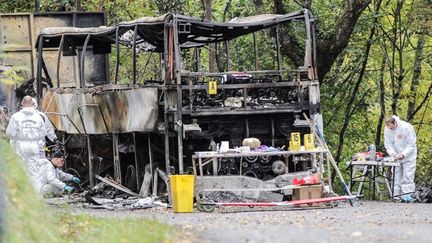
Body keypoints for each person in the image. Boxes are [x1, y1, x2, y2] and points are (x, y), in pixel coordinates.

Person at [6, 96, 47, 190]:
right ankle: (37, 195)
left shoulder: (15, 116)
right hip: (34, 146)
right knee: (34, 172)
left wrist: (17, 137)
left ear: (22, 103)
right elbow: (43, 133)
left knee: (20, 169)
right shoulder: (38, 117)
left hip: (20, 146)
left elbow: (10, 133)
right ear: (33, 104)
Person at [384, 115, 417, 202]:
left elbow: (411, 144)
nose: (390, 129)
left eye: (392, 127)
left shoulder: (406, 127)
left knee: (408, 175)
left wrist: (403, 154)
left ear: (394, 122)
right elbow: (388, 144)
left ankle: (407, 196)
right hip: (396, 157)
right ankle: (396, 196)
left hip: (409, 155)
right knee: (396, 175)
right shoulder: (387, 130)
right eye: (388, 127)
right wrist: (393, 154)